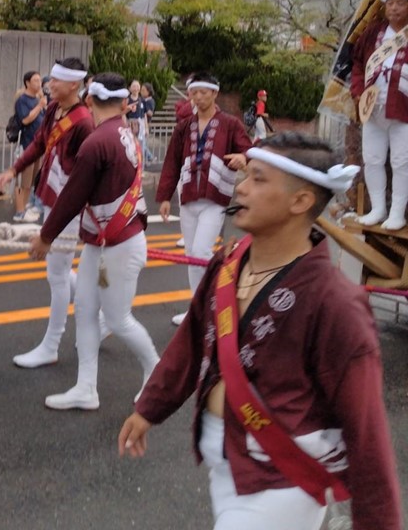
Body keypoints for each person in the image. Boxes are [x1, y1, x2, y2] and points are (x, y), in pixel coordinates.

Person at [119, 133, 402, 530]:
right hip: (228, 463)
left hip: (281, 478)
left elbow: (367, 430)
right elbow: (191, 343)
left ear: (300, 201)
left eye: (258, 179)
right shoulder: (229, 262)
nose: (241, 187)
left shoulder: (335, 303)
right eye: (246, 175)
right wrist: (150, 407)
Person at [28, 74, 159, 410]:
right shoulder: (122, 133)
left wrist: (45, 237)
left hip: (118, 245)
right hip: (105, 242)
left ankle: (157, 374)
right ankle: (86, 388)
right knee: (85, 310)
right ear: (125, 103)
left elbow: (72, 196)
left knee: (117, 320)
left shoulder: (97, 142)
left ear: (88, 100)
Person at [0, 57, 94, 368]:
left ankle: (51, 345)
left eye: (56, 80)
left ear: (74, 85)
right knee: (60, 270)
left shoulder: (84, 123)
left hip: (69, 207)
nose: (49, 84)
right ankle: (98, 309)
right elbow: (39, 142)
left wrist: (49, 233)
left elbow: (82, 179)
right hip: (52, 197)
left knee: (57, 274)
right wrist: (14, 169)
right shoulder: (53, 108)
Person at [157, 72, 250, 326]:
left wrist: (244, 158)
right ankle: (197, 310)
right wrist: (164, 197)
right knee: (192, 256)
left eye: (203, 92)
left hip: (215, 199)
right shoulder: (184, 126)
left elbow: (248, 149)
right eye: (194, 93)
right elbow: (172, 162)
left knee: (200, 251)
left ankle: (220, 296)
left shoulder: (230, 124)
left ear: (215, 93)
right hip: (188, 197)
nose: (198, 97)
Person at [351, 0, 408, 230]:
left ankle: (397, 213)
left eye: (400, 3)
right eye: (390, 3)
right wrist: (357, 92)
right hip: (372, 108)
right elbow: (357, 64)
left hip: (403, 110)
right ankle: (377, 209)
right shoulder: (373, 33)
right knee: (372, 159)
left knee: (401, 162)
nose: (394, 8)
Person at [13, 71, 47, 221]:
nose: (39, 83)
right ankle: (19, 211)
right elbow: (25, 120)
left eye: (40, 80)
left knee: (31, 181)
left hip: (38, 145)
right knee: (23, 180)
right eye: (35, 80)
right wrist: (40, 106)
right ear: (27, 83)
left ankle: (24, 209)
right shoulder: (22, 100)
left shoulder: (39, 99)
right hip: (26, 144)